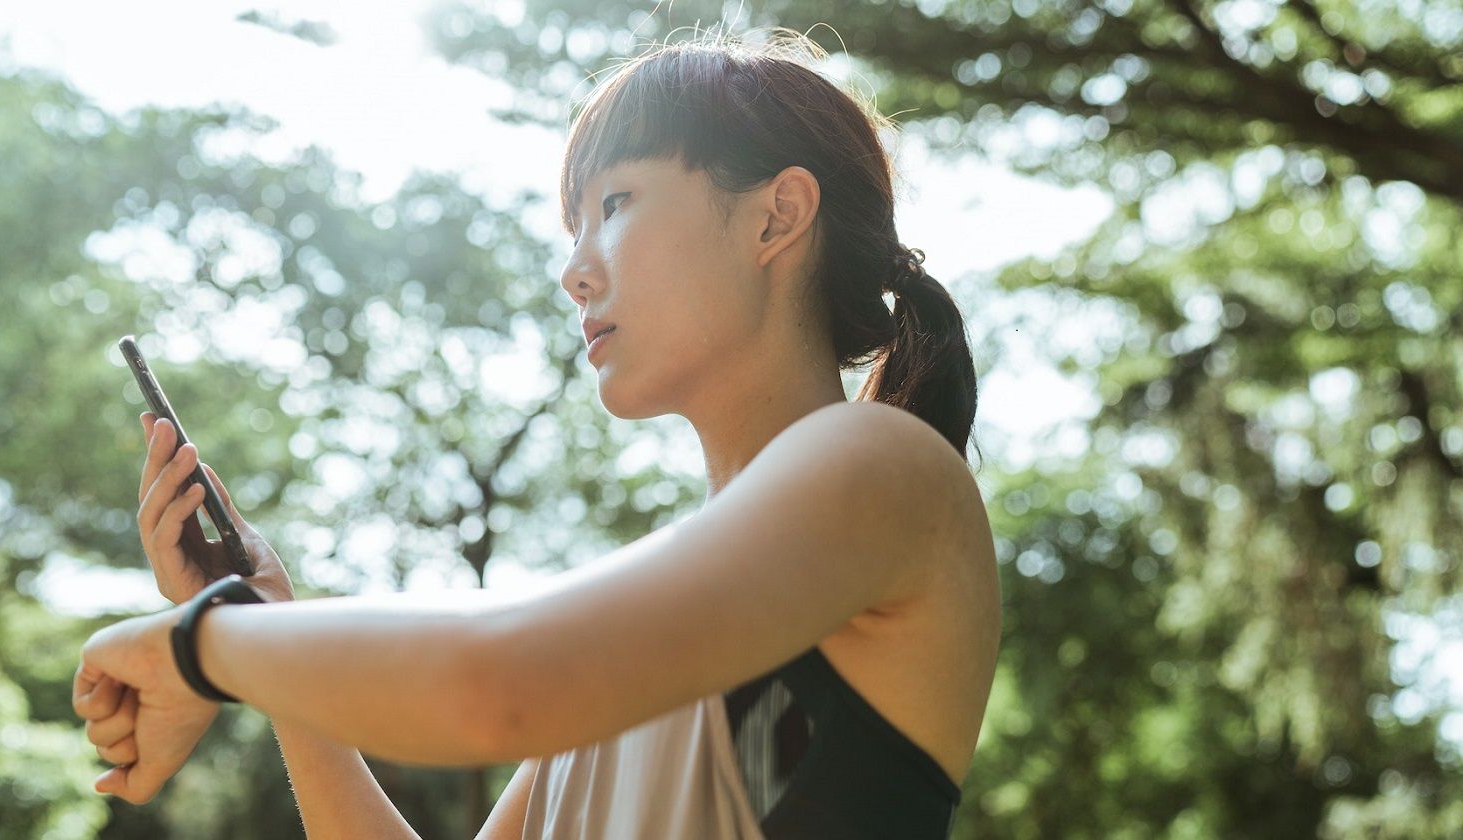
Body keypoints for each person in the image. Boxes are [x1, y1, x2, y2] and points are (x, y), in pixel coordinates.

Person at [73, 30, 999, 839]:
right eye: (573, 225)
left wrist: (205, 649)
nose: (575, 273)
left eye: (617, 203)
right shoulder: (627, 653)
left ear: (776, 215)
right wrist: (259, 618)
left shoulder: (885, 467)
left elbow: (492, 687)